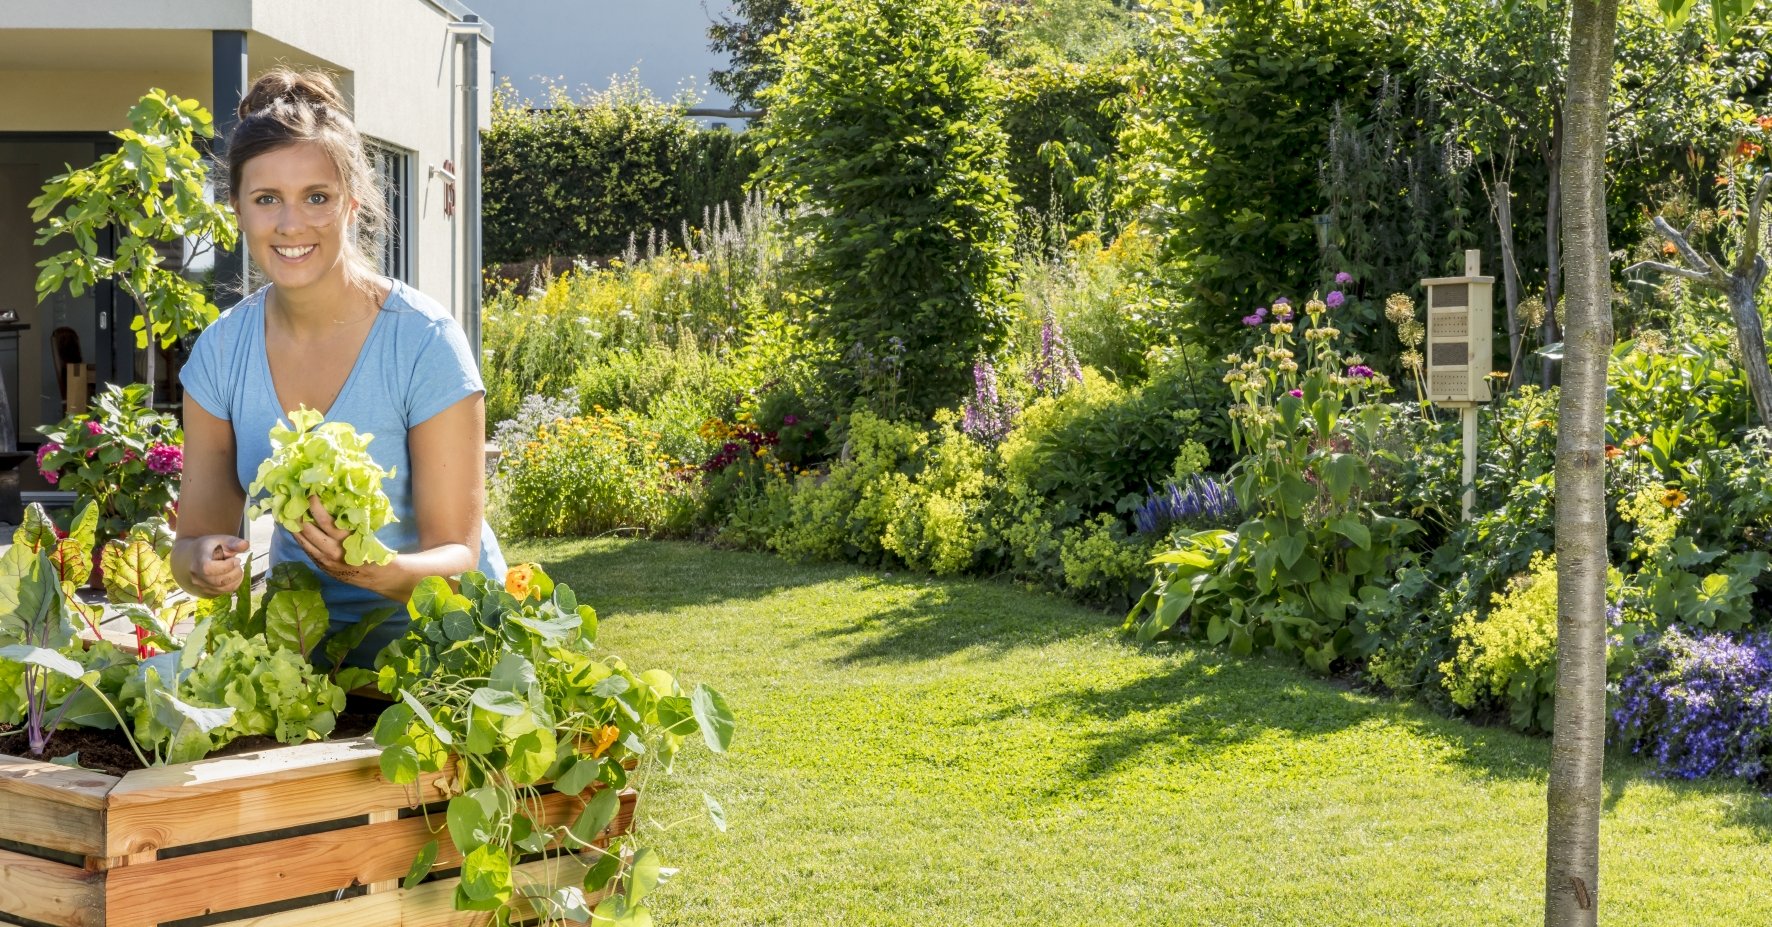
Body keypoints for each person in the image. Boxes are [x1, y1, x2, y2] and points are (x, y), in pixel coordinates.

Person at [172, 69, 506, 665]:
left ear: (352, 204)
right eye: (266, 199)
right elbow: (193, 541)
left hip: (446, 662)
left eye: (317, 198)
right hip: (307, 662)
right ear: (238, 211)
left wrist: (376, 569)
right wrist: (202, 563)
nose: (291, 224)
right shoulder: (221, 355)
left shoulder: (423, 342)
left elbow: (459, 556)